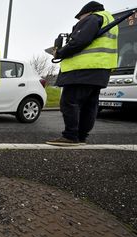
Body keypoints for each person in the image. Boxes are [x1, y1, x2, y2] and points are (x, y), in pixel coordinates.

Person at [47, 1, 118, 146]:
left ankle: (70, 136)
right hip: (99, 70)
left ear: (87, 12)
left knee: (69, 102)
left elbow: (79, 41)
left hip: (83, 70)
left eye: (80, 18)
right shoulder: (109, 21)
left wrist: (59, 52)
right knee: (89, 106)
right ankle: (81, 136)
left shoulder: (93, 18)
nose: (80, 21)